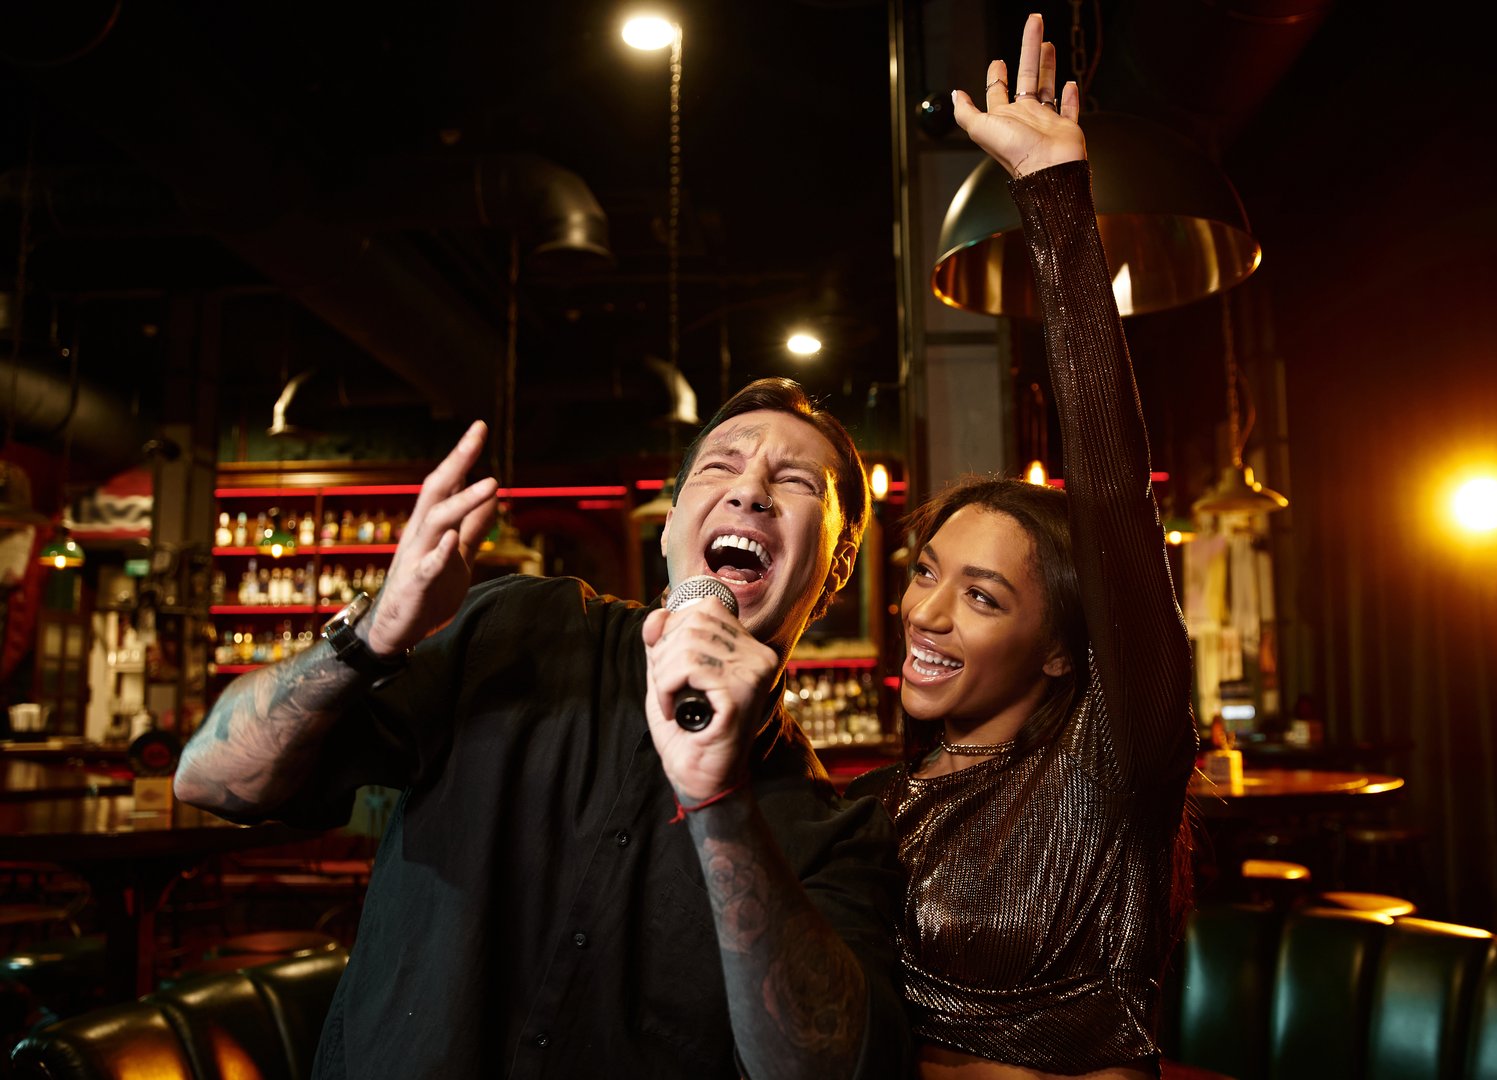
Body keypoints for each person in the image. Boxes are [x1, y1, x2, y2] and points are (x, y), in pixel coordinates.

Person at [175, 378, 910, 1079]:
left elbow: (825, 1068)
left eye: (795, 481)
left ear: (838, 566)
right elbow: (209, 779)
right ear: (669, 527)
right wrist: (371, 636)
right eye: (721, 466)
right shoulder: (522, 628)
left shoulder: (836, 833)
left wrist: (719, 804)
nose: (749, 490)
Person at [846, 15, 1198, 1080]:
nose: (925, 613)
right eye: (926, 573)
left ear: (1058, 649)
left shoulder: (1108, 767)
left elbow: (1113, 494)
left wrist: (1053, 200)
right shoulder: (886, 800)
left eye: (984, 595)